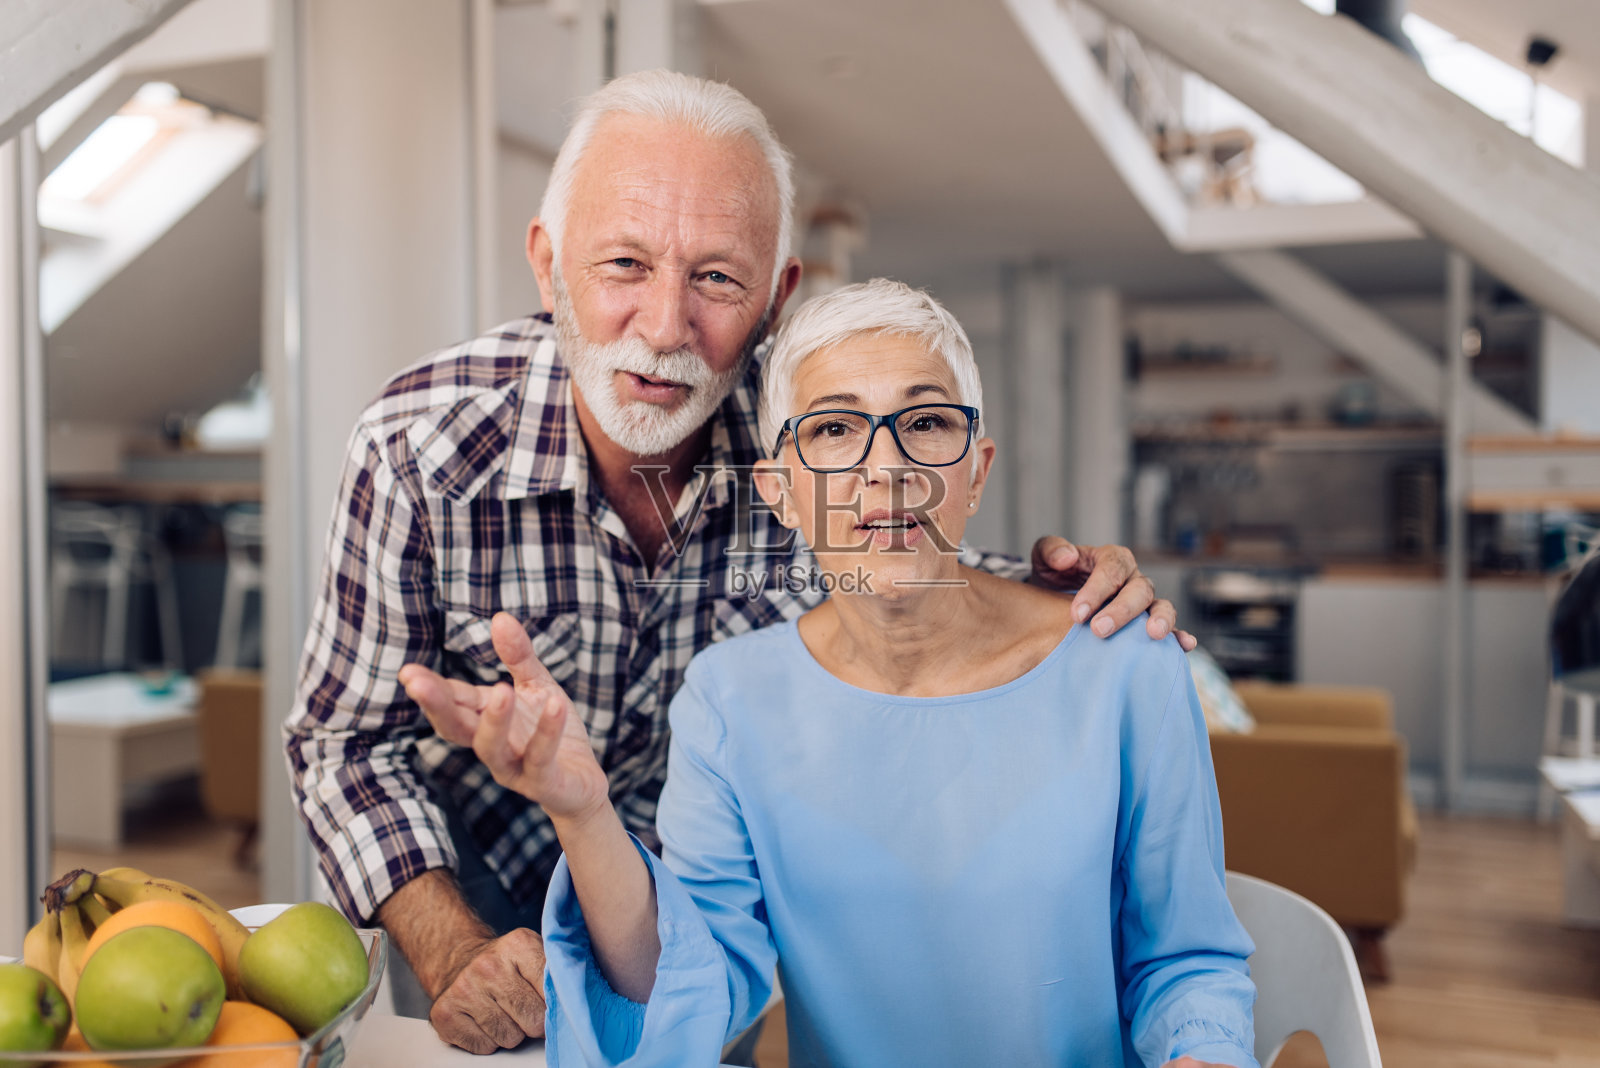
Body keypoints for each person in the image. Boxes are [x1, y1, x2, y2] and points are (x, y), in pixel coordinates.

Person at [286, 70, 1191, 1055]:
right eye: (624, 264)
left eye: (717, 279)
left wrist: (1062, 592)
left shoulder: (803, 434)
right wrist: (452, 945)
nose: (665, 326)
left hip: (700, 907)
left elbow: (901, 547)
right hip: (478, 882)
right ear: (548, 265)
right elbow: (343, 747)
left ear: (775, 297)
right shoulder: (417, 447)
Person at [432, 278, 1256, 1067]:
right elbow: (692, 992)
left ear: (976, 470)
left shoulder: (1125, 667)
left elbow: (1186, 960)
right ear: (781, 493)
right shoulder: (729, 700)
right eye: (833, 429)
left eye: (925, 422)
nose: (886, 468)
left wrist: (1205, 1053)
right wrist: (584, 816)